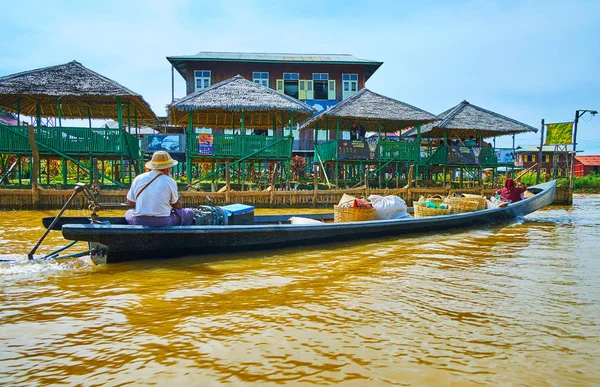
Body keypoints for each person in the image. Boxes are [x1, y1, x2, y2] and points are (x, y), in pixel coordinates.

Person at [125, 151, 194, 226]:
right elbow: (175, 205)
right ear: (167, 169)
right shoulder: (170, 181)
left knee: (129, 212)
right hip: (164, 222)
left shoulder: (138, 178)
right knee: (189, 212)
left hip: (139, 222)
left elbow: (130, 202)